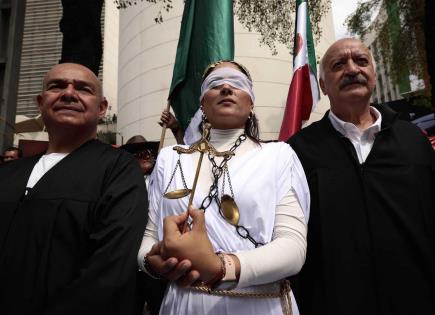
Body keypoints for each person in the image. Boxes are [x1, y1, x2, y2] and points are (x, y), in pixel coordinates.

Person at [138, 60, 310, 315]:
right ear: (202, 102)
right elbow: (148, 240)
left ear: (251, 102)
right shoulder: (170, 158)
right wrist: (152, 263)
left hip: (261, 305)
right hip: (186, 304)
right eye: (215, 84)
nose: (226, 87)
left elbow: (293, 248)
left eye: (237, 84)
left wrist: (221, 268)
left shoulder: (279, 155)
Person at [288, 38, 435, 315]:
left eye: (361, 61)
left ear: (374, 76)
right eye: (339, 64)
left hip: (416, 299)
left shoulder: (413, 140)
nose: (352, 69)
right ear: (322, 85)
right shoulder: (299, 151)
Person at [0, 63, 148, 315]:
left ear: (101, 108)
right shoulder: (8, 173)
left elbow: (111, 265)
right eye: (56, 86)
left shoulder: (118, 170)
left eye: (83, 88)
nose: (68, 93)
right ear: (40, 101)